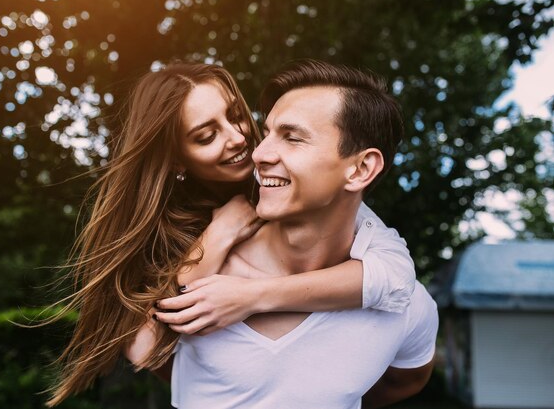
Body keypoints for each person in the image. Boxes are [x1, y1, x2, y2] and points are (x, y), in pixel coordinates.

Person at [46, 62, 416, 406]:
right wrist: (217, 237)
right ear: (176, 159)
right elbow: (145, 350)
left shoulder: (305, 194)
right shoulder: (164, 231)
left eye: (236, 116)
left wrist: (252, 297)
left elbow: (396, 278)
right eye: (207, 136)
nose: (240, 139)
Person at [168, 60, 439, 409]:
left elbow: (407, 379)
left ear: (360, 169)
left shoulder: (406, 302)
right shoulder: (202, 265)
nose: (257, 152)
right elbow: (151, 354)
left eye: (292, 138)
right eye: (266, 134)